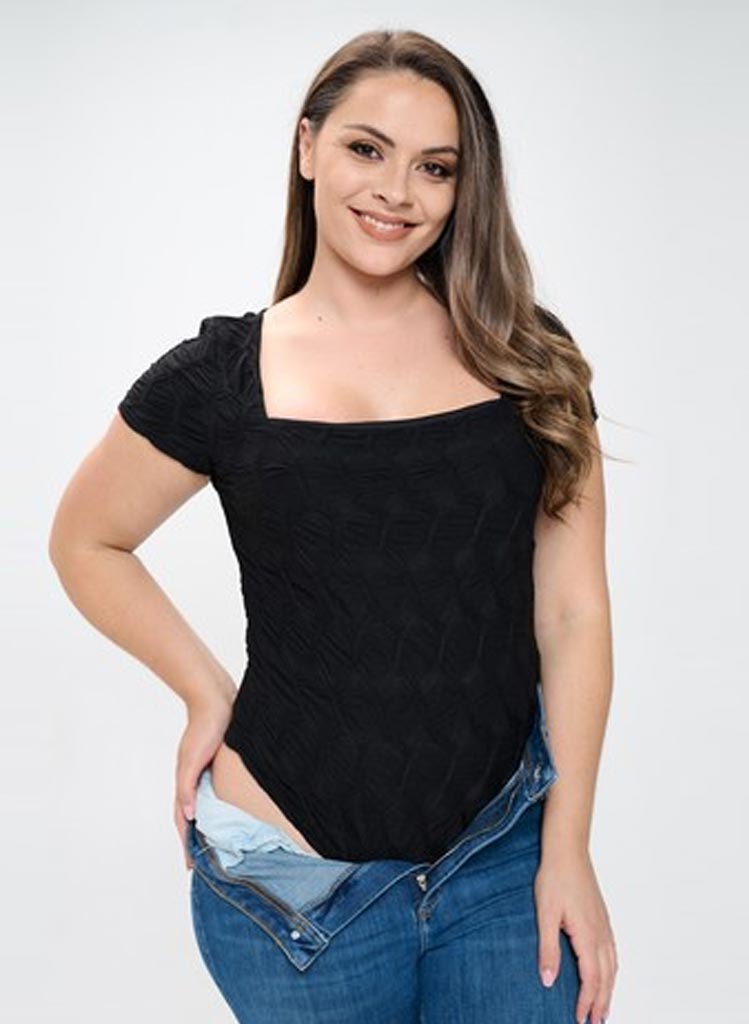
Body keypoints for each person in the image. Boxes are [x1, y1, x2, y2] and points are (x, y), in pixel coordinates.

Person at [48, 27, 617, 1024]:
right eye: (365, 148)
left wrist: (566, 846)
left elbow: (571, 613)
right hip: (292, 886)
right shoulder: (219, 380)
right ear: (307, 146)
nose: (397, 191)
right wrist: (204, 690)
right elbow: (85, 540)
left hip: (500, 860)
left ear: (463, 188)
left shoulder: (524, 356)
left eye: (434, 167)